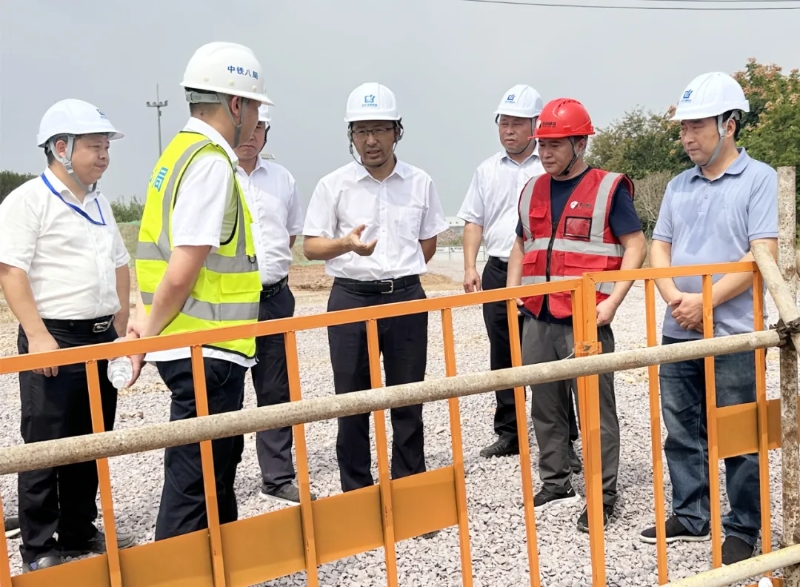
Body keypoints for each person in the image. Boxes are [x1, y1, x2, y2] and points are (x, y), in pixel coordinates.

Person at [128, 41, 272, 540]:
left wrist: (149, 327)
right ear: (235, 104)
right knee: (197, 482)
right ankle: (178, 569)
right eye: (254, 107)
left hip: (196, 345)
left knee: (212, 475)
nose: (256, 120)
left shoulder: (176, 154)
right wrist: (147, 333)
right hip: (206, 347)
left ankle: (218, 565)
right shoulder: (210, 162)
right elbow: (182, 268)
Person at [639, 72, 777, 565]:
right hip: (679, 325)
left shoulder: (759, 178)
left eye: (697, 126)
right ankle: (691, 513)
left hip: (735, 332)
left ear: (729, 125)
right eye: (683, 127)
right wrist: (677, 297)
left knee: (739, 432)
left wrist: (706, 302)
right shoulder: (678, 185)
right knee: (681, 428)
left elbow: (761, 253)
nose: (687, 137)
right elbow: (659, 246)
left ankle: (744, 526)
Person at [0, 99, 135, 572]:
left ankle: (79, 529)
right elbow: (10, 270)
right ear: (61, 148)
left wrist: (121, 329)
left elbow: (120, 264)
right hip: (54, 338)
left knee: (92, 439)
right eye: (95, 146)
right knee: (46, 445)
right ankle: (39, 545)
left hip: (101, 338)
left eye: (106, 147)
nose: (104, 156)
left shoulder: (98, 202)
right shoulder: (27, 201)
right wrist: (37, 336)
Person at [507, 98, 646, 533]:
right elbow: (521, 244)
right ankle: (556, 481)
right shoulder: (531, 189)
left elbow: (635, 245)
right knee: (545, 406)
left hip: (587, 318)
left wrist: (614, 301)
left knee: (595, 411)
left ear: (580, 144)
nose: (545, 153)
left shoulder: (608, 188)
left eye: (555, 144)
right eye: (541, 144)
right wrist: (513, 292)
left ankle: (602, 495)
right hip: (538, 316)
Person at [303, 82, 448, 493]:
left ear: (397, 131)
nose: (371, 140)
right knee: (351, 403)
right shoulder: (334, 185)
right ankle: (358, 494)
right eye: (361, 130)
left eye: (380, 129)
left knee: (408, 400)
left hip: (405, 298)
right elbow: (311, 246)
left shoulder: (419, 182)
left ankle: (408, 489)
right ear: (350, 135)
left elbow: (428, 242)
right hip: (351, 299)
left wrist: (399, 272)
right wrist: (346, 245)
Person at [458, 84, 582, 467]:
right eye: (503, 123)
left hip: (543, 273)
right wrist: (469, 265)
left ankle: (564, 438)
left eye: (517, 123)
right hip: (498, 270)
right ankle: (510, 432)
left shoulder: (549, 166)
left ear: (535, 125)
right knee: (503, 354)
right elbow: (474, 221)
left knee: (553, 357)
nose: (508, 130)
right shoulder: (486, 170)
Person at [233, 104, 312, 504]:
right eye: (246, 125)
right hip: (229, 304)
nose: (251, 134)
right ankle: (219, 477)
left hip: (275, 298)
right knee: (225, 392)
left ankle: (277, 477)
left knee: (276, 389)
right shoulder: (215, 174)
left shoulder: (282, 179)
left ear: (267, 131)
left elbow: (289, 236)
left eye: (259, 127)